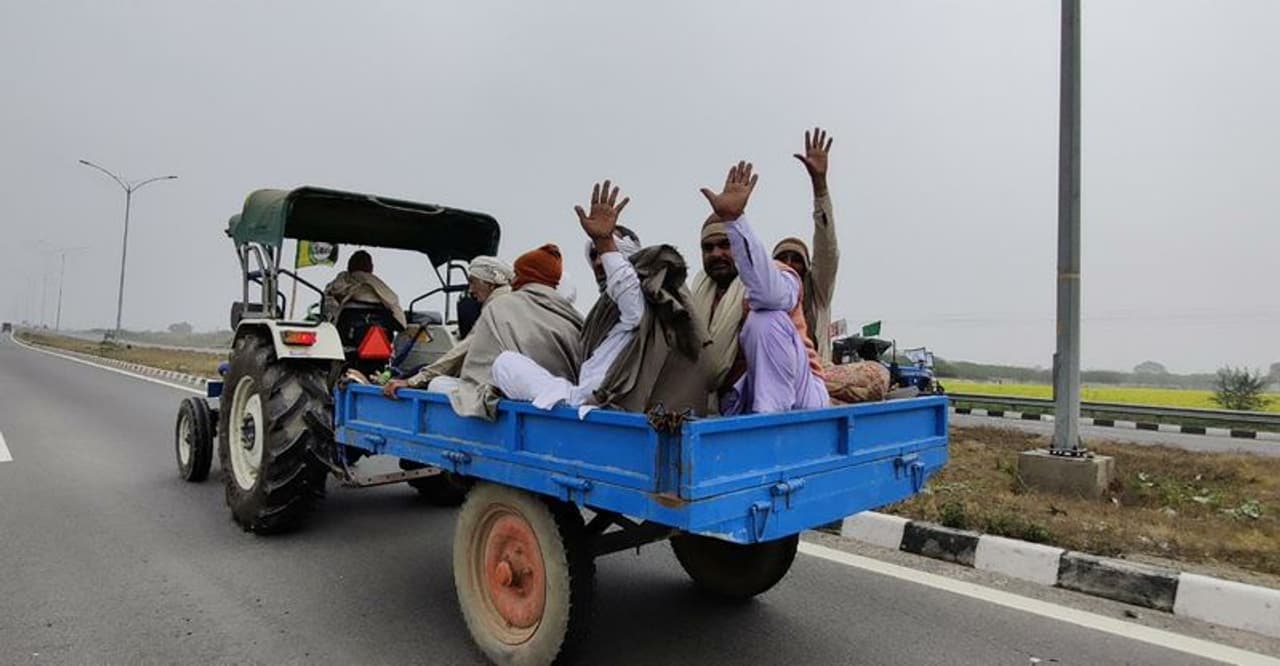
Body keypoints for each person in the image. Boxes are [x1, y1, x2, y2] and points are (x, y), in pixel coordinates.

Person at [493, 181, 709, 414]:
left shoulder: (642, 299)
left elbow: (629, 297)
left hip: (607, 403)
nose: (598, 262)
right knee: (505, 363)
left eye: (603, 255)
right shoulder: (603, 311)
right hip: (580, 395)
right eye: (593, 255)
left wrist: (605, 243)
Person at [699, 161, 828, 414]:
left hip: (802, 394)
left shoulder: (778, 274)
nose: (716, 254)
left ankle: (770, 424)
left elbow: (770, 295)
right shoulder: (699, 294)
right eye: (708, 248)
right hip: (739, 397)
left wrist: (735, 222)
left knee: (765, 319)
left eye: (726, 245)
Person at [434, 244, 583, 419]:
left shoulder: (501, 306)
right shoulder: (574, 315)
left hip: (516, 396)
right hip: (566, 401)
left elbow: (472, 360)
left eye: (517, 274)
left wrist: (417, 379)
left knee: (438, 385)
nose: (512, 281)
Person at [383, 256, 514, 398]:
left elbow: (463, 349)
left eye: (473, 282)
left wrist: (414, 381)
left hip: (495, 387)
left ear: (490, 283)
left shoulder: (496, 308)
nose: (470, 290)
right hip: (509, 382)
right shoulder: (513, 302)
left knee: (437, 384)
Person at [773, 127, 839, 364]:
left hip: (815, 379)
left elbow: (827, 250)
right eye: (783, 258)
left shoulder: (817, 292)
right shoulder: (764, 299)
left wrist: (819, 187)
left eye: (796, 259)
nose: (789, 264)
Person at [322, 250, 407, 328]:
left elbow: (327, 305)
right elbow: (393, 301)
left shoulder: (339, 282)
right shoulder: (376, 283)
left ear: (349, 266)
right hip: (379, 332)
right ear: (371, 267)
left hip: (345, 329)